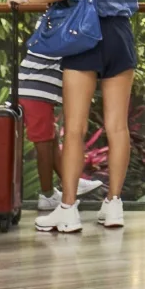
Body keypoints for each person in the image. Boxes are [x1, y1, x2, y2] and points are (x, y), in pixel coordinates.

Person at [10, 0, 145, 235]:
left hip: (85, 38)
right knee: (117, 127)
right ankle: (114, 205)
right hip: (120, 37)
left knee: (74, 128)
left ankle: (69, 210)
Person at [17, 46, 102, 215]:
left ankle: (72, 183)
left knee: (51, 138)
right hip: (36, 92)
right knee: (44, 145)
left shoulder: (54, 24)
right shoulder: (57, 26)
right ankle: (47, 195)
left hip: (38, 91)